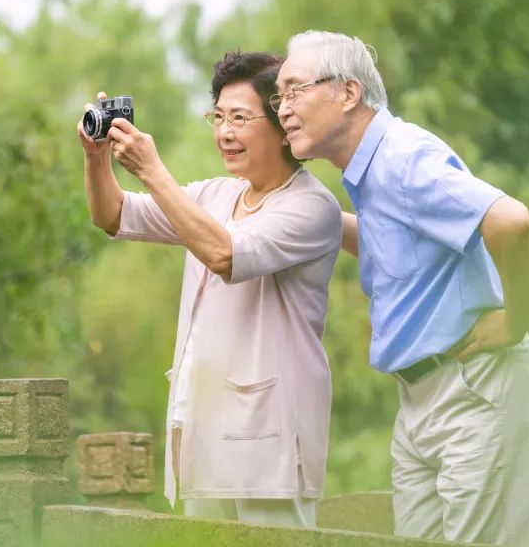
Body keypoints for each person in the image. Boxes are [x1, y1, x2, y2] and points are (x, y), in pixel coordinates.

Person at [273, 31, 529, 546]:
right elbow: (395, 245)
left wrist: (515, 322)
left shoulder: (402, 158)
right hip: (419, 397)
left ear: (348, 94)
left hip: (470, 385)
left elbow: (511, 222)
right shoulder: (368, 173)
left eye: (294, 91)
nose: (283, 110)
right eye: (278, 96)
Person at [78, 51, 344, 528]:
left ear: (283, 124)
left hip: (271, 446)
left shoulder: (312, 208)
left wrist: (153, 171)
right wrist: (97, 158)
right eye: (217, 117)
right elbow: (112, 215)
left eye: (240, 118)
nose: (225, 132)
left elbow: (226, 255)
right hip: (201, 431)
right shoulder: (214, 195)